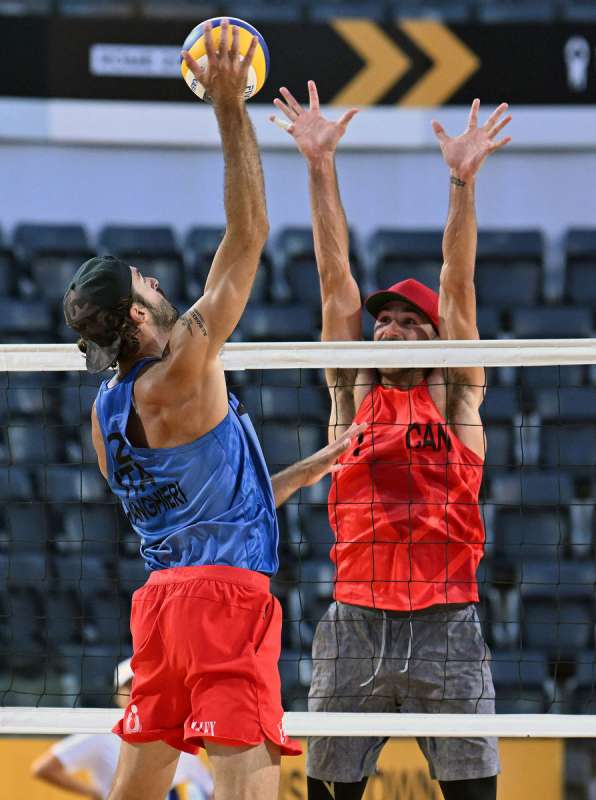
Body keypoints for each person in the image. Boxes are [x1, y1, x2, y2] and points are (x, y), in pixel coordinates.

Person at [62, 23, 363, 800]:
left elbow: (197, 508)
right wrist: (230, 106)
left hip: (160, 607)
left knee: (137, 790)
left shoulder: (105, 413)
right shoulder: (185, 362)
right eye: (145, 284)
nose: (159, 284)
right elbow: (251, 232)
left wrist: (304, 470)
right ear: (134, 317)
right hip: (226, 601)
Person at [271, 82, 512, 800]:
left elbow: (458, 282)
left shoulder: (455, 394)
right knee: (326, 792)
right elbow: (333, 275)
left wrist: (461, 184)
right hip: (354, 621)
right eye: (385, 323)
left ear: (436, 341)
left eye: (410, 324)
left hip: (448, 623)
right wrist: (318, 167)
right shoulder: (353, 395)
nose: (390, 330)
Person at [31, 658, 214, 800]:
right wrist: (94, 792)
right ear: (118, 693)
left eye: (142, 684)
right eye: (130, 685)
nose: (137, 691)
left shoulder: (176, 731)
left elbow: (207, 789)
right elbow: (44, 768)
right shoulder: (99, 733)